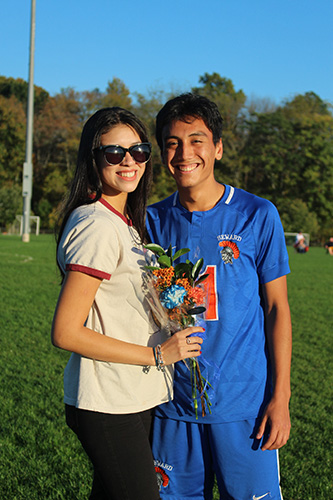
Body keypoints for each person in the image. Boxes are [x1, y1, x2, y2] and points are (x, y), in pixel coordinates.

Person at [51, 107, 204, 500]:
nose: (129, 161)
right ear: (93, 157)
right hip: (107, 400)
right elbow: (66, 332)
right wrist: (157, 354)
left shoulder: (124, 223)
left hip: (132, 395)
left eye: (138, 150)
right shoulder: (97, 225)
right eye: (114, 153)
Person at [146, 94, 292, 500]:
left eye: (197, 140)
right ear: (162, 152)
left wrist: (280, 397)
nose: (184, 153)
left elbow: (277, 308)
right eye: (172, 143)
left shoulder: (257, 213)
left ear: (218, 148)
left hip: (245, 407)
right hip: (173, 407)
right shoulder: (151, 221)